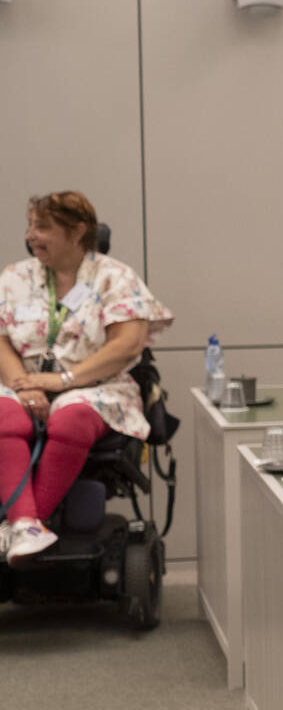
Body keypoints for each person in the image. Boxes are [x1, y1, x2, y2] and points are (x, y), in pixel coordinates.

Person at [0, 192, 173, 565]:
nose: (31, 235)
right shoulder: (15, 277)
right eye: (30, 226)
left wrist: (62, 381)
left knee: (72, 417)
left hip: (98, 387)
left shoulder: (115, 277)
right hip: (24, 382)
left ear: (78, 231)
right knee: (5, 414)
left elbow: (127, 346)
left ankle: (26, 523)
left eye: (42, 227)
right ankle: (25, 525)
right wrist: (23, 385)